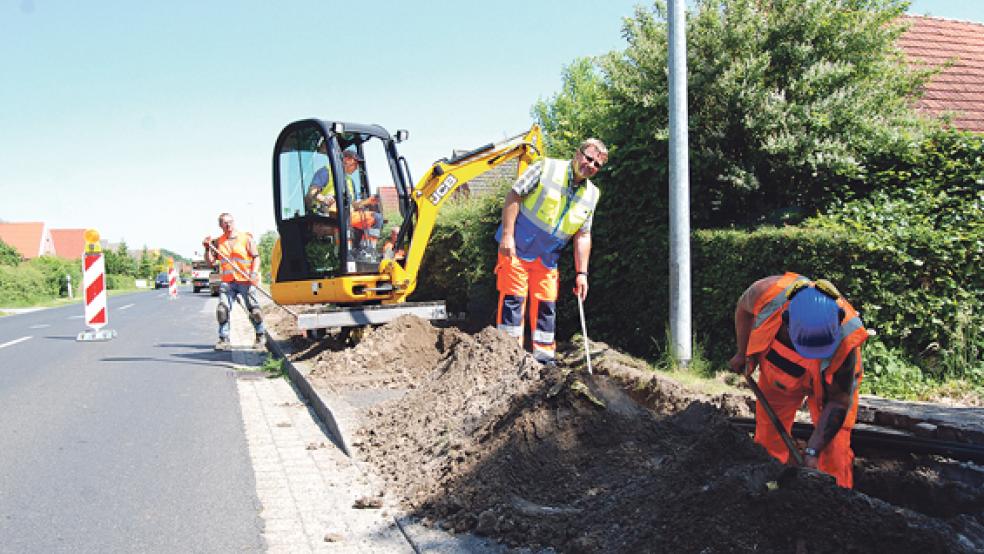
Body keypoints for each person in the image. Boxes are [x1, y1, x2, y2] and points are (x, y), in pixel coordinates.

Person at [729, 273, 870, 488]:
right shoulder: (765, 293)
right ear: (785, 320)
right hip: (780, 377)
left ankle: (836, 502)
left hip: (829, 384)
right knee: (769, 440)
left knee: (834, 451)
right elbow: (743, 309)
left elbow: (839, 402)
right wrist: (743, 352)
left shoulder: (847, 339)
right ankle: (769, 493)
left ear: (838, 319)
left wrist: (812, 450)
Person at [495, 138, 607, 365]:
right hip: (516, 249)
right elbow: (514, 195)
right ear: (578, 153)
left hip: (547, 259)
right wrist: (507, 235)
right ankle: (507, 360)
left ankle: (544, 361)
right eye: (589, 158)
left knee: (546, 306)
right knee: (513, 301)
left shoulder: (592, 194)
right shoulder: (545, 167)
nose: (591, 165)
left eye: (597, 164)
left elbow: (583, 235)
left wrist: (582, 273)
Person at [203, 213, 265, 351]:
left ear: (234, 222)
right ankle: (223, 339)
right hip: (228, 282)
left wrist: (253, 273)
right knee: (222, 309)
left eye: (230, 222)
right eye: (225, 223)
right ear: (220, 225)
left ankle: (261, 336)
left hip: (245, 280)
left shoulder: (246, 238)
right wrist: (207, 248)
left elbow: (256, 257)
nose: (228, 225)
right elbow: (210, 262)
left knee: (254, 310)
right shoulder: (218, 242)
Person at [305, 149, 383, 259]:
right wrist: (324, 199)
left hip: (348, 215)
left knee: (376, 218)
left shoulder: (349, 181)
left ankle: (367, 252)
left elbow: (353, 205)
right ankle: (346, 252)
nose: (356, 168)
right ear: (346, 160)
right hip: (331, 216)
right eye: (355, 164)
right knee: (345, 220)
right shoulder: (326, 172)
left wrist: (368, 201)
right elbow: (311, 193)